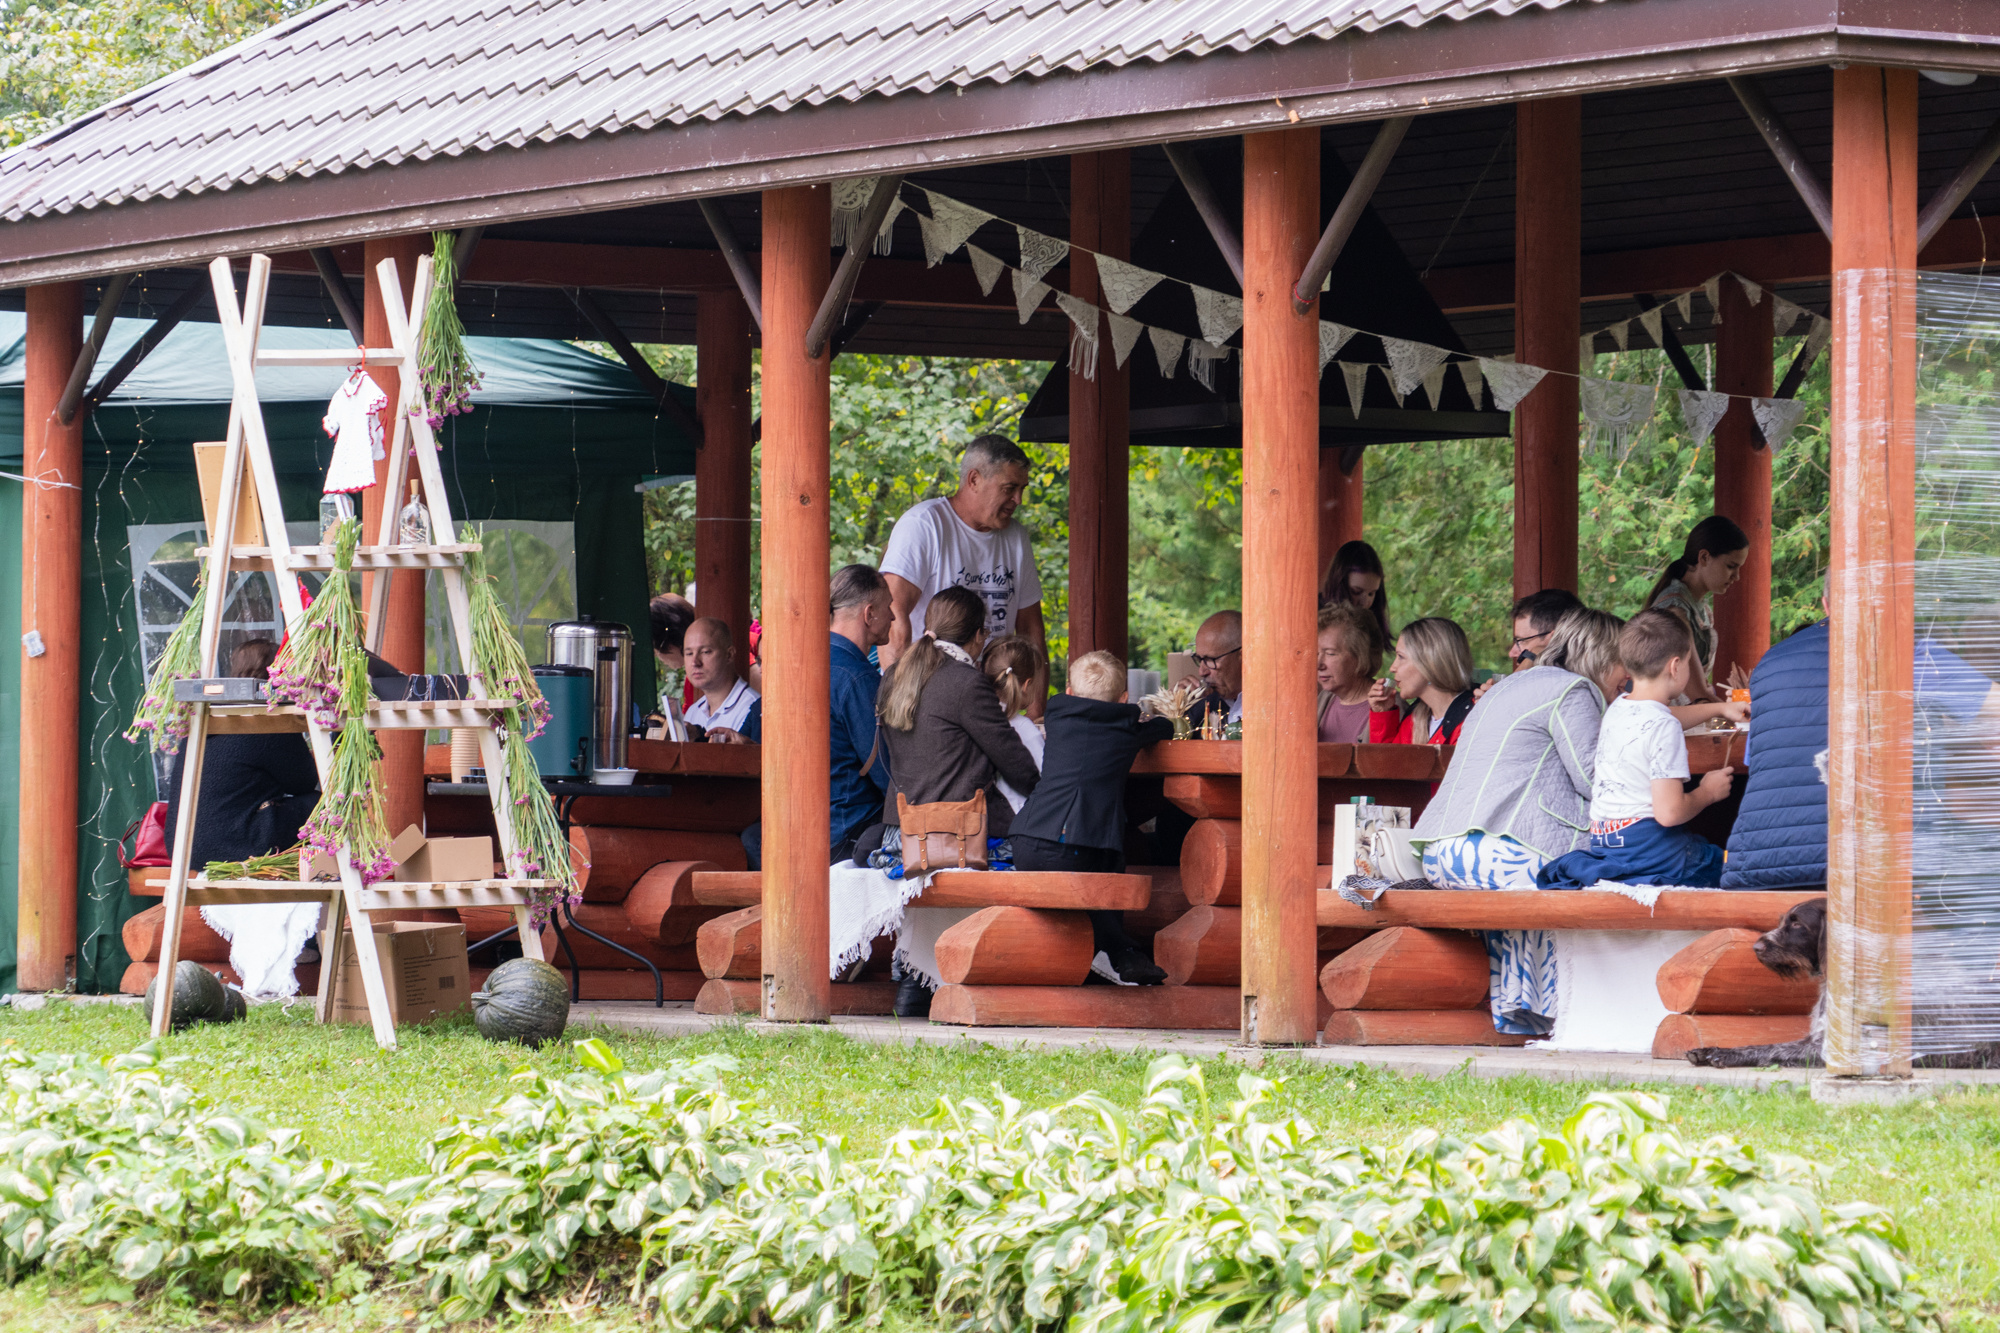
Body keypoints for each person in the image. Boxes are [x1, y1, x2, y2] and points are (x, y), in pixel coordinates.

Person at [1411, 608, 1626, 1033]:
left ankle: (1520, 1019)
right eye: (1627, 661)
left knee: (1528, 904)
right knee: (1567, 881)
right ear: (1604, 656)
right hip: (1494, 850)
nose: (1631, 673)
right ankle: (1554, 1021)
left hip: (1442, 850)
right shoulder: (1574, 689)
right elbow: (1592, 780)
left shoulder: (1509, 686)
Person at [1009, 650, 1174, 985]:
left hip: (1027, 838)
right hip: (1071, 844)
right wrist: (1149, 719)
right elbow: (1165, 728)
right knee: (1109, 860)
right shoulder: (1126, 728)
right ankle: (1122, 954)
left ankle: (1120, 954)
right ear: (1124, 698)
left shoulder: (1056, 717)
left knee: (1104, 862)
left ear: (1069, 691)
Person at [1537, 609, 1733, 889]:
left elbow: (1661, 716)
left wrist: (1721, 709)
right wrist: (1708, 792)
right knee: (1733, 865)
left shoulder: (1619, 708)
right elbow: (1669, 813)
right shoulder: (1663, 726)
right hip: (1653, 853)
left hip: (1609, 846)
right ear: (1675, 666)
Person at [741, 566, 894, 871]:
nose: (892, 616)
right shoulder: (857, 678)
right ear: (869, 614)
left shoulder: (797, 664)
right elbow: (885, 771)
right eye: (888, 607)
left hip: (790, 829)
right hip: (847, 833)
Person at [871, 584, 1040, 839]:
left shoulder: (894, 674)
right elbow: (1013, 760)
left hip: (901, 829)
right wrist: (1044, 796)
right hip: (954, 832)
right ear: (978, 636)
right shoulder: (967, 682)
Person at [880, 434, 1045, 668]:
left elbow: (1031, 629)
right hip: (930, 685)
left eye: (1022, 489)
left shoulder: (1016, 536)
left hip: (995, 689)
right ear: (974, 480)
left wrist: (1037, 692)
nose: (1018, 500)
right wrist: (900, 688)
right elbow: (892, 615)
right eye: (1009, 488)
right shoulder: (924, 524)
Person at [163, 639, 321, 870]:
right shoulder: (266, 721)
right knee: (320, 804)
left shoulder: (203, 720)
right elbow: (304, 781)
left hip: (183, 850)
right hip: (235, 846)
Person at [1644, 514, 1750, 704]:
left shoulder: (1694, 604)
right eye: (1731, 566)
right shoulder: (1675, 610)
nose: (1737, 576)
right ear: (1704, 557)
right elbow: (1697, 693)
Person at [1368, 617, 1476, 745]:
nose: (1392, 668)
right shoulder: (1414, 720)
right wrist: (1383, 713)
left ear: (1430, 663)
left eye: (1401, 657)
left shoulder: (1473, 718)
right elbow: (1387, 757)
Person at [981, 635, 1046, 813]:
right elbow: (1045, 782)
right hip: (1019, 817)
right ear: (1027, 685)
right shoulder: (1025, 729)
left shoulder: (977, 720)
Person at [683, 617, 761, 743]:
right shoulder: (693, 712)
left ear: (729, 654)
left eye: (705, 652)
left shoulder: (753, 709)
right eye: (689, 653)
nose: (695, 662)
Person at [1316, 602, 1381, 743]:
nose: (1318, 664)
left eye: (1330, 653)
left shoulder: (1389, 706)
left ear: (1361, 656)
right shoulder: (1323, 699)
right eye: (1316, 654)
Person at [1176, 609, 1243, 728]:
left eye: (1211, 660)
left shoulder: (1272, 704)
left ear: (1242, 656)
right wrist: (1177, 710)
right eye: (1199, 659)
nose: (1201, 672)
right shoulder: (1204, 706)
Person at [1321, 539, 1392, 649]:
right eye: (1356, 592)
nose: (1365, 602)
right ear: (1339, 584)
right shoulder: (1314, 617)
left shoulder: (1370, 625)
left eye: (1371, 594)